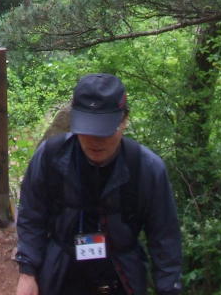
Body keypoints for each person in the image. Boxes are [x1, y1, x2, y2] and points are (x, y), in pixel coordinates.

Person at [14, 74, 182, 295]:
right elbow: (31, 215)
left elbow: (164, 237)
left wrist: (169, 288)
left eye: (104, 130)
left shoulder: (146, 168)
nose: (95, 140)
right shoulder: (51, 157)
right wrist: (27, 272)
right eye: (87, 129)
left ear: (124, 121)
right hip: (60, 273)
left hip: (122, 275)